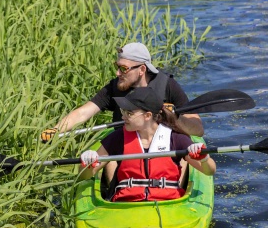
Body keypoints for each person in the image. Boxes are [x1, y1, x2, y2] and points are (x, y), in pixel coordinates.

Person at [41, 42, 203, 182]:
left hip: (164, 149)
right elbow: (83, 113)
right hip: (125, 149)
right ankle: (116, 194)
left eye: (123, 69)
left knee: (183, 156)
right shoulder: (115, 87)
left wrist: (174, 117)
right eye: (117, 67)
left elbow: (197, 129)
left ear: (142, 69)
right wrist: (56, 129)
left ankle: (175, 193)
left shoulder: (168, 85)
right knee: (110, 158)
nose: (118, 73)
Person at [78, 87, 215, 202]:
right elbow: (84, 176)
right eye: (123, 112)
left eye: (129, 113)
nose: (123, 117)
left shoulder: (176, 138)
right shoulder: (118, 138)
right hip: (125, 205)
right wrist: (87, 164)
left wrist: (203, 159)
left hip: (167, 205)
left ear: (148, 116)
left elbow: (209, 171)